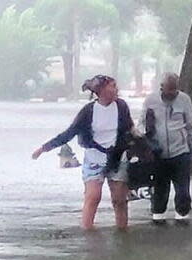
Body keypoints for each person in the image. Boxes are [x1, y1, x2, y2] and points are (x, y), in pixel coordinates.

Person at [31, 75, 134, 230]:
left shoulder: (121, 106)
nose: (116, 89)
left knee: (119, 199)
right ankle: (87, 233)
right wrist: (44, 148)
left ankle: (123, 233)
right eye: (113, 86)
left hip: (117, 157)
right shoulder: (88, 111)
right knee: (93, 197)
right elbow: (69, 133)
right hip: (94, 159)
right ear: (101, 91)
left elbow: (130, 129)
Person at [139, 73, 192, 222]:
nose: (172, 94)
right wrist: (144, 137)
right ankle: (158, 215)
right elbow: (140, 124)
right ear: (162, 88)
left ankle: (182, 216)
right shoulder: (150, 100)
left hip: (180, 152)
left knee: (183, 190)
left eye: (175, 90)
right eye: (169, 90)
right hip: (158, 153)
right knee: (160, 188)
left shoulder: (184, 100)